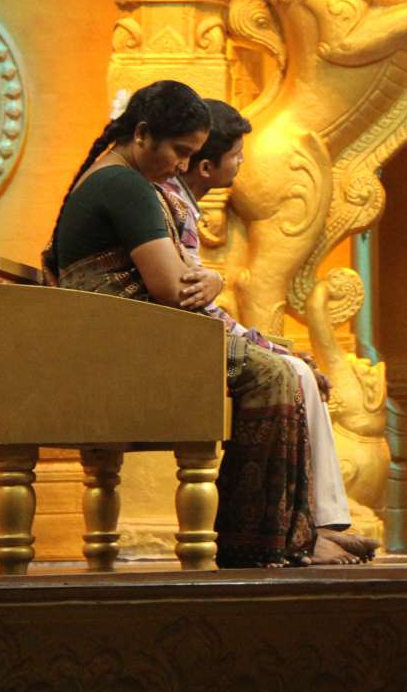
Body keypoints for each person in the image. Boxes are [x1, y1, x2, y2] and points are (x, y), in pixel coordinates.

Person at [46, 81, 321, 567]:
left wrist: (210, 281)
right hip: (127, 349)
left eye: (191, 155)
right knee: (272, 373)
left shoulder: (121, 178)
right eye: (179, 151)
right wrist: (208, 282)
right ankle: (252, 542)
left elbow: (182, 282)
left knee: (278, 365)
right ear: (142, 135)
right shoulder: (124, 185)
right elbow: (174, 288)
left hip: (124, 339)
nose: (181, 166)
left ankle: (275, 536)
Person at [161, 99, 377, 564]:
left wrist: (267, 344)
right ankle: (285, 532)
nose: (242, 163)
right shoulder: (169, 204)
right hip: (172, 343)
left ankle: (319, 525)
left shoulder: (183, 205)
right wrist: (261, 342)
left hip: (194, 334)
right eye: (236, 155)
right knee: (290, 373)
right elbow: (192, 305)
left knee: (300, 370)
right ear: (205, 166)